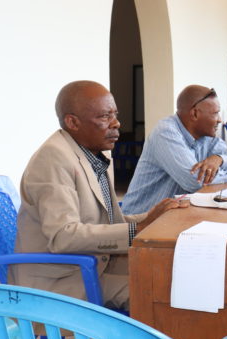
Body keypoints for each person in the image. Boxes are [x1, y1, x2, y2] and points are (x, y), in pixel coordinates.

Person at [13, 80, 186, 309]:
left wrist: (151, 217)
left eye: (115, 114)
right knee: (162, 291)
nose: (116, 123)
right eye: (105, 117)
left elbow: (109, 221)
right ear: (72, 122)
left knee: (173, 271)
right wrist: (139, 230)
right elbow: (63, 236)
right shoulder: (53, 159)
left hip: (93, 262)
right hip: (62, 278)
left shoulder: (94, 152)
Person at [121, 85, 227, 215]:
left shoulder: (207, 137)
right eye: (215, 113)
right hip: (141, 222)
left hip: (173, 217)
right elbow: (195, 181)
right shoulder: (166, 132)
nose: (220, 120)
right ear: (194, 113)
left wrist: (220, 159)